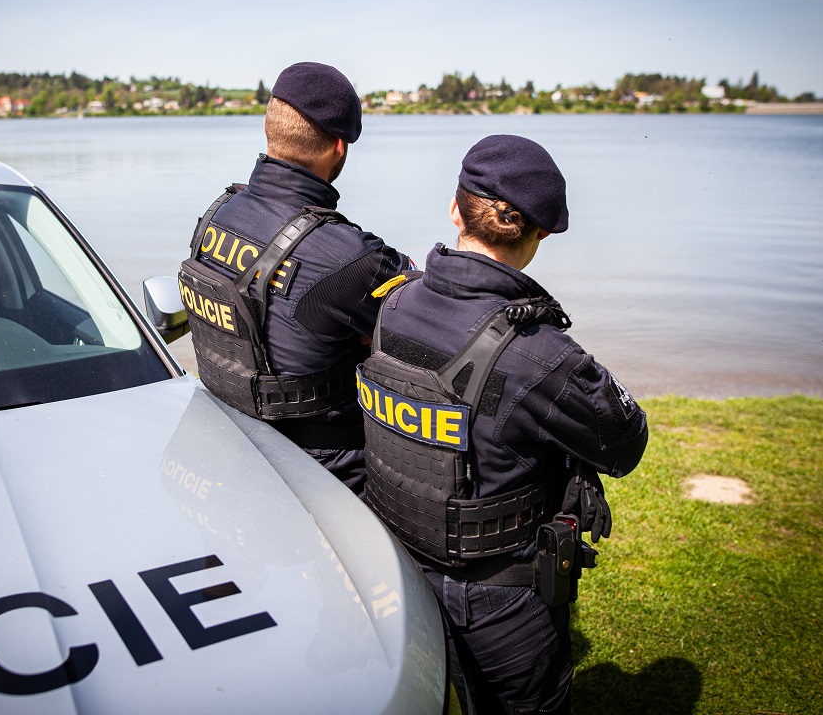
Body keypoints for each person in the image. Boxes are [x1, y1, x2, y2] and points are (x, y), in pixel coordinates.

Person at [357, 134, 648, 713]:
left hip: (399, 568)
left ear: (454, 207)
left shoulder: (393, 304)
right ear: (538, 236)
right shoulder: (538, 354)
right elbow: (625, 441)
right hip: (499, 599)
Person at [179, 61, 411, 495]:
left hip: (230, 440)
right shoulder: (351, 256)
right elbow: (421, 318)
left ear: (271, 130)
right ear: (339, 148)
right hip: (329, 477)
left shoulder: (217, 215)